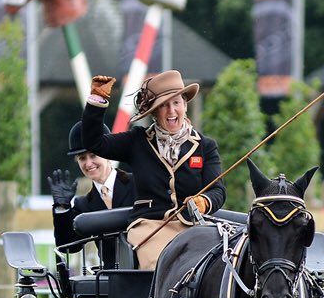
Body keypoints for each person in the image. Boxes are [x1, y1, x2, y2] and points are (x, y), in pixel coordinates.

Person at [81, 69, 226, 270]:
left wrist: (203, 202)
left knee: (216, 267)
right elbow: (94, 142)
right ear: (154, 112)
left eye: (176, 103)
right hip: (150, 228)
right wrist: (97, 102)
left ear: (185, 104)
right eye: (164, 105)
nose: (171, 111)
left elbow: (218, 191)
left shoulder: (205, 146)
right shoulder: (137, 141)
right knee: (162, 267)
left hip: (195, 227)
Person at [48, 120, 136, 269]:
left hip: (148, 272)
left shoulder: (137, 184)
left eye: (93, 155)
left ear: (108, 154)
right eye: (82, 158)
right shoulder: (84, 204)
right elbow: (68, 246)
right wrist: (62, 208)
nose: (88, 164)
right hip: (112, 280)